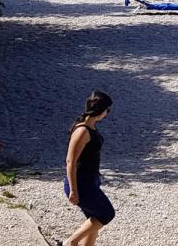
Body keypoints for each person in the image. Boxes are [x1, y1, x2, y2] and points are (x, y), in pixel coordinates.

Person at [64, 91, 115, 245]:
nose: (107, 113)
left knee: (94, 221)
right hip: (80, 183)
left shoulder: (90, 127)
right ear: (101, 110)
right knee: (106, 214)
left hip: (90, 181)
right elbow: (70, 161)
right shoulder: (82, 131)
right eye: (108, 110)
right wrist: (73, 190)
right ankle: (70, 243)